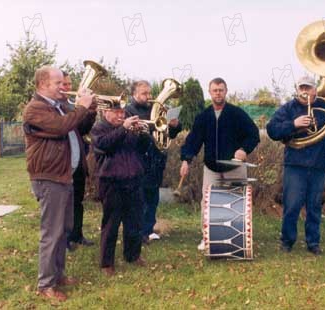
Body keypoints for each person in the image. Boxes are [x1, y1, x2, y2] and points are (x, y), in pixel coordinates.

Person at [23, 66, 94, 302]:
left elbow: (79, 128)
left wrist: (89, 110)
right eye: (58, 83)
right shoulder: (35, 109)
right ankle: (46, 284)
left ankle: (58, 274)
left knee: (64, 229)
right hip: (49, 177)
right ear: (43, 84)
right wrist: (81, 105)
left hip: (65, 175)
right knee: (52, 232)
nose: (64, 87)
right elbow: (61, 127)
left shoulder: (60, 106)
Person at [266, 76, 325, 255]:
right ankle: (287, 241)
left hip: (318, 165)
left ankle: (313, 243)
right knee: (292, 205)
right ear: (297, 89)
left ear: (315, 90)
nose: (305, 91)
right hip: (295, 164)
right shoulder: (289, 108)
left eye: (308, 88)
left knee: (314, 206)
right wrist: (293, 124)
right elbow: (272, 130)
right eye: (302, 87)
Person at [179, 77, 260, 250]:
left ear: (226, 91)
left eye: (221, 90)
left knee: (236, 202)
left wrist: (244, 150)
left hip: (234, 167)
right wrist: (186, 159)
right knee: (208, 204)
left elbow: (254, 134)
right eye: (215, 90)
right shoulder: (203, 117)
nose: (218, 93)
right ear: (210, 92)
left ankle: (238, 239)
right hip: (211, 168)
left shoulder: (237, 113)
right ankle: (207, 237)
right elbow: (193, 141)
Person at [91, 102, 152, 276]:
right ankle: (106, 263)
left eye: (122, 112)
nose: (120, 116)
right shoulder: (99, 128)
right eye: (116, 112)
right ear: (105, 112)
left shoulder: (127, 128)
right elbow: (104, 145)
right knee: (111, 223)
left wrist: (144, 135)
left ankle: (133, 255)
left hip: (133, 178)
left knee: (135, 222)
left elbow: (142, 148)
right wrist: (124, 128)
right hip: (111, 181)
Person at [125, 80, 182, 244]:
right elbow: (130, 135)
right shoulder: (129, 110)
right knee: (139, 198)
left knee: (152, 198)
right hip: (138, 159)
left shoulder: (155, 109)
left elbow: (168, 135)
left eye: (150, 93)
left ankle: (148, 229)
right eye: (144, 93)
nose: (149, 96)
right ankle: (138, 232)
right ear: (134, 94)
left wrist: (174, 126)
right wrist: (151, 128)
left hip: (156, 160)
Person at [61, 71, 97, 251]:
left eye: (69, 84)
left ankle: (77, 234)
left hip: (78, 163)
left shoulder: (71, 106)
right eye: (64, 84)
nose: (68, 88)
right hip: (63, 164)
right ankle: (65, 240)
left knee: (78, 201)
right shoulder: (59, 109)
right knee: (65, 204)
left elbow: (81, 129)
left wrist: (90, 112)